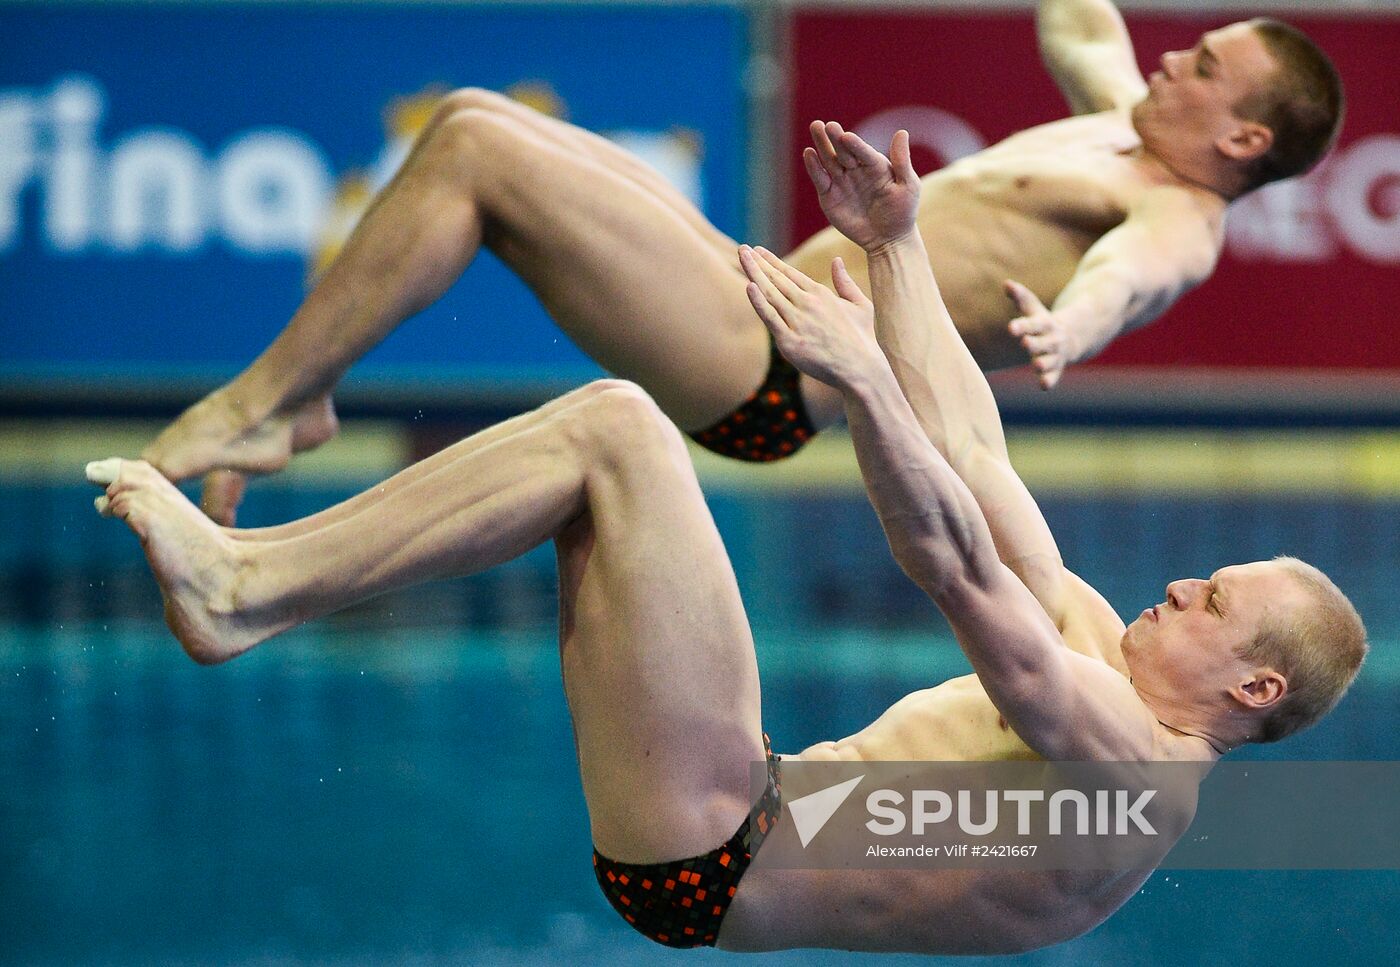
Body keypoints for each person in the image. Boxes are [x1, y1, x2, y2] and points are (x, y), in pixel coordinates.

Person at [88, 127, 1366, 956]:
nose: (1175, 587)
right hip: (717, 819)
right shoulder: (1104, 654)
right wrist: (895, 249)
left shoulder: (1134, 772)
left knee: (621, 432)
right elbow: (975, 462)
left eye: (1206, 599)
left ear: (1253, 687)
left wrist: (860, 379)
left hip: (719, 840)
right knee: (603, 450)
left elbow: (957, 570)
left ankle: (246, 589)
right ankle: (251, 587)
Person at [139, 0, 1344, 524]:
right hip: (750, 294)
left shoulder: (1182, 211)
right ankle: (293, 402)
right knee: (469, 124)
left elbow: (1135, 275)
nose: (1173, 56)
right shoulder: (1121, 118)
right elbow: (1080, 24)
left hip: (768, 374)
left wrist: (1068, 330)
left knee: (469, 152)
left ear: (1241, 138)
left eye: (1203, 67)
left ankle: (260, 402)